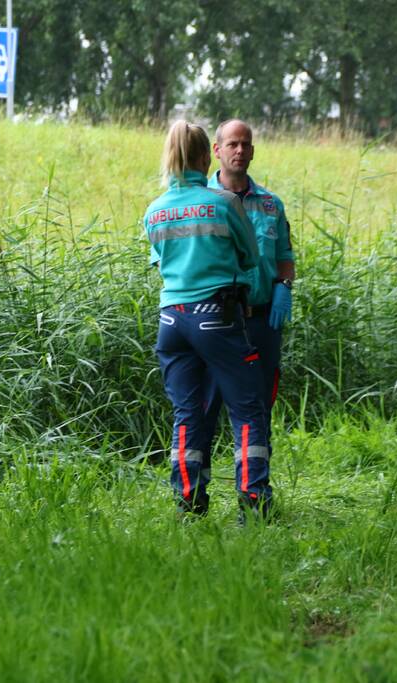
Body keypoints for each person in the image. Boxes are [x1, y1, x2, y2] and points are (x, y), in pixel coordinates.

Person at [143, 120, 270, 523]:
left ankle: (188, 503)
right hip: (216, 316)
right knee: (248, 409)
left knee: (188, 413)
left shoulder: (154, 210)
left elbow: (160, 263)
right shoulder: (224, 204)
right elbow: (251, 258)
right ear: (205, 155)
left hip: (171, 321)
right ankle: (254, 502)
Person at [202, 119, 297, 519]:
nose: (239, 150)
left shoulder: (271, 205)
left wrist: (283, 288)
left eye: (246, 144)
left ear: (253, 151)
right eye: (232, 144)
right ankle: (193, 501)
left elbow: (285, 258)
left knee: (257, 411)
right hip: (214, 323)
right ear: (216, 150)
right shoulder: (199, 199)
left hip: (261, 323)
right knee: (203, 411)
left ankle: (255, 500)